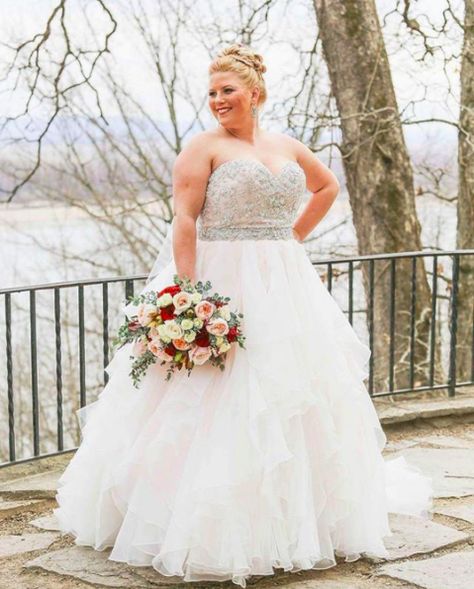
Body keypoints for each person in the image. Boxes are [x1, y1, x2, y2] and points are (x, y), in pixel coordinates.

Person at [54, 44, 433, 588]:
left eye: (226, 90)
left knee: (292, 393)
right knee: (211, 396)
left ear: (254, 92)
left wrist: (291, 238)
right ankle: (195, 521)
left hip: (284, 282)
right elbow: (185, 220)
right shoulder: (201, 149)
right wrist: (187, 295)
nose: (217, 101)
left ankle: (300, 519)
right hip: (220, 278)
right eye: (211, 93)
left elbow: (327, 186)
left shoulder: (285, 144)